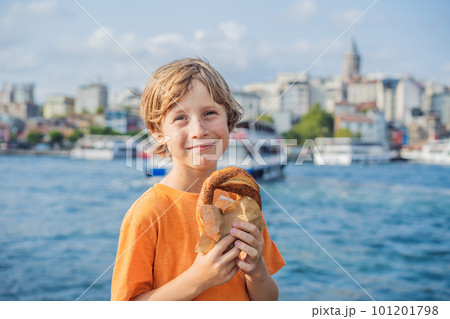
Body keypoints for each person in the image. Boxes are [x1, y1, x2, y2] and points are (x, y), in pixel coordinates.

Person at [111, 58, 285, 301]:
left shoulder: (241, 203)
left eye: (209, 113)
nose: (199, 130)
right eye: (180, 118)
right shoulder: (148, 214)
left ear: (229, 120)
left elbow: (268, 300)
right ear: (158, 133)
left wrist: (257, 272)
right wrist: (198, 279)